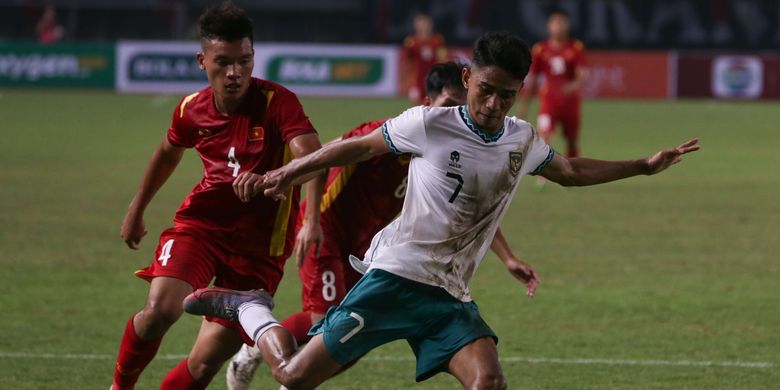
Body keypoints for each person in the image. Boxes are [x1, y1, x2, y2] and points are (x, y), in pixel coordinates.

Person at [184, 31, 699, 389]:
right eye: (485, 90)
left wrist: (644, 166)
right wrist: (285, 174)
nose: (493, 105)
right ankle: (249, 308)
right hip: (395, 280)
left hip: (448, 295)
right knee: (294, 378)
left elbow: (570, 172)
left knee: (489, 380)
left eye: (506, 95)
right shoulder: (430, 123)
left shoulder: (521, 140)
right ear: (469, 76)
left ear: (520, 92)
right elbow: (356, 149)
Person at [225, 62, 540, 390]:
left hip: (369, 244)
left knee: (350, 346)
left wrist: (508, 258)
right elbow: (324, 156)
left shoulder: (454, 146)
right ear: (427, 101)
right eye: (448, 105)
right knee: (324, 317)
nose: (454, 114)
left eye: (459, 107)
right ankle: (257, 346)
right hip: (329, 230)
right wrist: (311, 221)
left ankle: (290, 373)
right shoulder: (395, 131)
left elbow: (469, 214)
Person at [111, 3, 324, 389]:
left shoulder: (278, 103)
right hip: (203, 226)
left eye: (243, 61)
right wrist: (136, 208)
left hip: (260, 247)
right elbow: (167, 151)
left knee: (205, 361)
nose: (234, 72)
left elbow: (312, 155)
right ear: (201, 60)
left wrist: (306, 215)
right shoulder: (191, 110)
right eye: (223, 62)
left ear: (253, 57)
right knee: (159, 310)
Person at [517, 9, 587, 172]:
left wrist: (573, 85)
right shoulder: (541, 49)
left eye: (562, 23)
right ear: (549, 27)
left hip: (570, 103)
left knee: (571, 140)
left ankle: (574, 171)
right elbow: (534, 78)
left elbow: (582, 75)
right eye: (556, 23)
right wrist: (525, 105)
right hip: (549, 101)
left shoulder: (575, 48)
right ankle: (544, 173)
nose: (559, 27)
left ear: (567, 27)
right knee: (545, 136)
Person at [400, 13, 448, 103]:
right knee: (418, 108)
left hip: (434, 79)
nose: (423, 26)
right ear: (416, 25)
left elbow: (443, 59)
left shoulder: (437, 40)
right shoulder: (411, 42)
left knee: (434, 105)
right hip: (417, 82)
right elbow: (406, 63)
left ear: (430, 25)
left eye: (425, 23)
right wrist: (404, 82)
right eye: (421, 24)